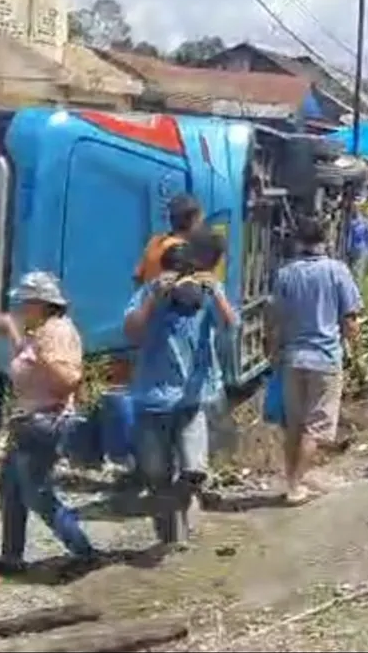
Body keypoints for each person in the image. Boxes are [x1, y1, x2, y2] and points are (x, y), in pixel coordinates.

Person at [124, 226, 237, 546]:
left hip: (190, 401)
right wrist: (154, 299)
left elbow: (232, 326)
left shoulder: (204, 296)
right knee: (158, 477)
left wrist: (214, 292)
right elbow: (132, 332)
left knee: (194, 471)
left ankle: (178, 518)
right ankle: (173, 536)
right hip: (151, 401)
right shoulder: (149, 294)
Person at [0, 271, 97, 578]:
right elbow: (29, 361)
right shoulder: (42, 331)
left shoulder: (57, 333)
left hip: (44, 422)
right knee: (9, 488)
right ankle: (11, 557)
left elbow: (68, 379)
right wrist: (14, 333)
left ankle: (84, 551)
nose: (22, 307)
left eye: (26, 302)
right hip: (28, 421)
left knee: (37, 493)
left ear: (41, 303)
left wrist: (42, 355)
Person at [268, 216, 362, 506]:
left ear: (298, 242)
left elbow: (274, 320)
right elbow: (350, 320)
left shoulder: (285, 274)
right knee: (316, 427)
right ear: (326, 240)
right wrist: (353, 351)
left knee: (294, 426)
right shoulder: (338, 271)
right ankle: (295, 486)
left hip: (292, 358)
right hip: (324, 358)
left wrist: (272, 353)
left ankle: (291, 480)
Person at [134, 193, 203, 284]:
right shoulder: (183, 251)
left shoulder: (155, 241)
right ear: (194, 220)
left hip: (150, 296)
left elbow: (137, 277)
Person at [347, 196, 368, 287]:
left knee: (356, 270)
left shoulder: (362, 222)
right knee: (352, 269)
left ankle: (355, 287)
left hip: (358, 248)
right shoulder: (351, 221)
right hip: (353, 248)